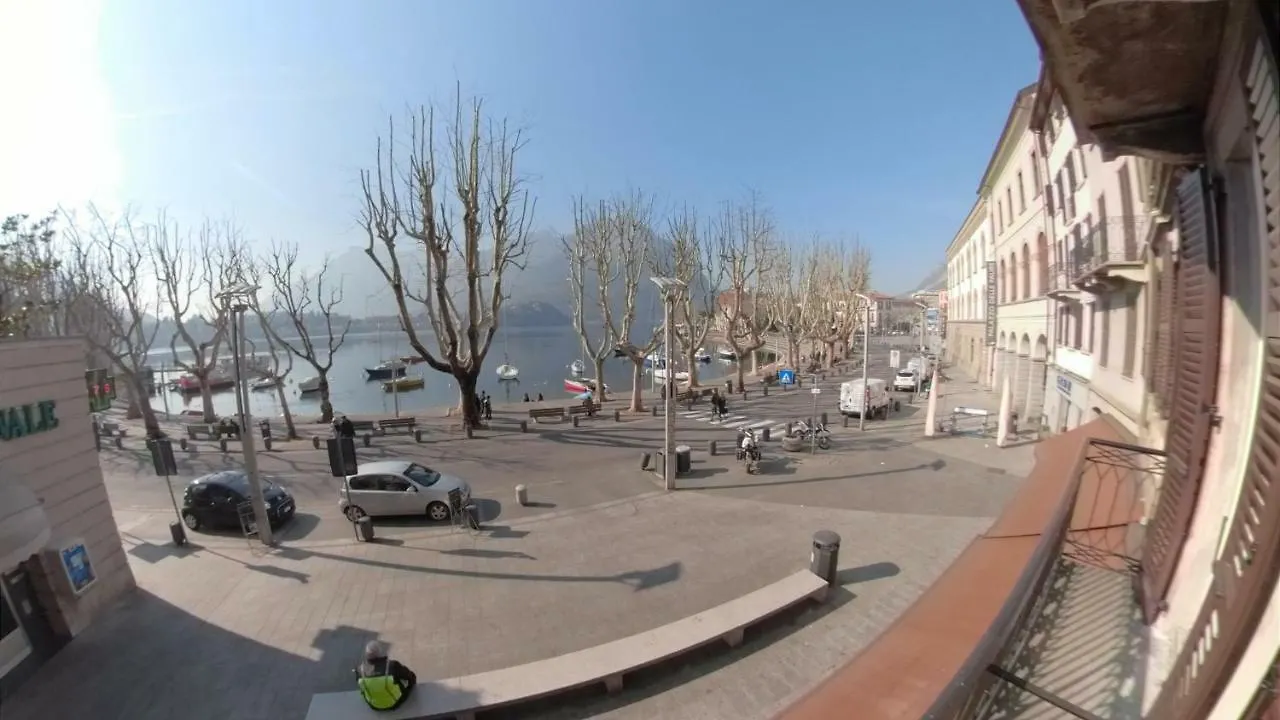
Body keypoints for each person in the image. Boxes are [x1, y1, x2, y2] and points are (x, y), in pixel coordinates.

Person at [355, 641, 416, 711]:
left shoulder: (359, 670)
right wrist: (412, 681)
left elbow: (361, 687)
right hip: (394, 702)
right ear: (380, 653)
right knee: (407, 679)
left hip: (374, 705)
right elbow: (409, 676)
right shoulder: (392, 665)